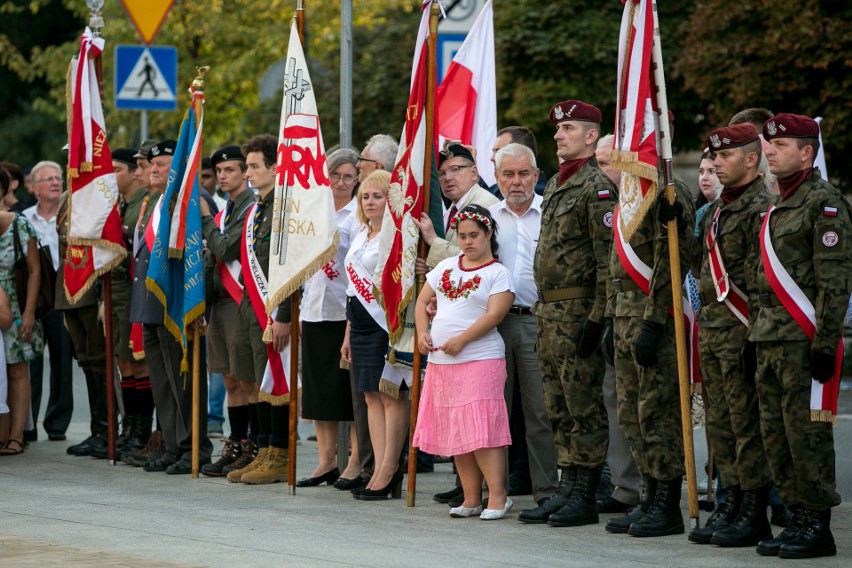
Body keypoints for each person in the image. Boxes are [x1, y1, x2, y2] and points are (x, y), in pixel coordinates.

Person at [751, 114, 850, 559]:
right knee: (777, 435)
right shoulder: (778, 203)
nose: (769, 151)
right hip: (771, 340)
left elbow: (834, 282)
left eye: (780, 145)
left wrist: (826, 345)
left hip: (804, 341)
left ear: (806, 152)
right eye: (768, 145)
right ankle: (796, 518)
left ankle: (817, 526)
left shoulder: (823, 203)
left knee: (807, 436)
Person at [517, 100, 617, 528]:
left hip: (578, 311)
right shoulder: (559, 181)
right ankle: (568, 486)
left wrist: (597, 319)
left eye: (569, 128)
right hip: (550, 312)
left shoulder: (597, 187)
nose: (558, 135)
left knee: (583, 406)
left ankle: (587, 492)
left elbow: (605, 260)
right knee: (557, 405)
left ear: (591, 136)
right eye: (557, 129)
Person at [684, 124, 776, 547]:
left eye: (724, 156)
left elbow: (764, 283)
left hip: (742, 333)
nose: (715, 163)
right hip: (715, 333)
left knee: (747, 427)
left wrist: (755, 339)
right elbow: (701, 267)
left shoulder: (763, 207)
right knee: (721, 426)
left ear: (751, 159)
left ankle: (753, 512)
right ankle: (732, 504)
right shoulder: (720, 208)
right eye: (713, 157)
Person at [605, 116, 696, 538]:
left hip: (653, 321)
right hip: (624, 318)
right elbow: (615, 267)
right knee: (631, 414)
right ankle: (648, 495)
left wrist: (654, 323)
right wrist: (609, 318)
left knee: (657, 414)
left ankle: (667, 503)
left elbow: (670, 266)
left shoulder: (671, 193)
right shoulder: (628, 195)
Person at [413, 204, 515, 519]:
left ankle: (498, 496)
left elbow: (495, 314)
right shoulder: (445, 266)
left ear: (488, 235)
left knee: (483, 428)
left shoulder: (498, 273)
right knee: (458, 429)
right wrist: (421, 333)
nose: (468, 242)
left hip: (481, 358)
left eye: (474, 235)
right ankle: (471, 498)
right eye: (462, 236)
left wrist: (464, 339)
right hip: (443, 362)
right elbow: (421, 301)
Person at [414, 142, 499, 505]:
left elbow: (487, 259)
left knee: (483, 423)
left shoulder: (487, 206)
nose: (448, 177)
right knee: (457, 422)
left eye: (457, 169)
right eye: (443, 172)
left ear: (475, 172)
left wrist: (433, 242)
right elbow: (453, 269)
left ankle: (498, 491)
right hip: (446, 350)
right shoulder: (456, 208)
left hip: (480, 342)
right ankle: (469, 491)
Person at [486, 143, 559, 508]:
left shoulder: (551, 213)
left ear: (536, 175)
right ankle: (490, 491)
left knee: (539, 413)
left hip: (536, 322)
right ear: (497, 177)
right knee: (491, 409)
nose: (516, 182)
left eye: (524, 174)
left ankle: (546, 491)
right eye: (508, 174)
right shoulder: (483, 216)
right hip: (489, 327)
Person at [140, 139, 213, 475]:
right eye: (152, 166)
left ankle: (193, 448)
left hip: (178, 304)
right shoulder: (156, 202)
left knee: (184, 379)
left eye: (162, 165)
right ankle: (172, 445)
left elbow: (200, 257)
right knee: (163, 382)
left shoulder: (193, 201)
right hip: (153, 305)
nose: (154, 170)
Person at [225, 134, 292, 485]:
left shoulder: (285, 212)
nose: (248, 173)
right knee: (253, 378)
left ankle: (279, 452)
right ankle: (262, 447)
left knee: (274, 379)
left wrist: (283, 316)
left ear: (275, 167)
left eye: (253, 166)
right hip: (250, 306)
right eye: (247, 166)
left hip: (273, 308)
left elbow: (290, 269)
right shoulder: (254, 211)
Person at [340, 170, 409, 500]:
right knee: (369, 395)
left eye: (377, 196)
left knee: (390, 395)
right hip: (360, 324)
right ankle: (379, 466)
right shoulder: (361, 235)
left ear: (390, 200)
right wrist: (347, 335)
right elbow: (353, 288)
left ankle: (389, 468)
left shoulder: (395, 238)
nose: (369, 202)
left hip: (385, 325)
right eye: (365, 196)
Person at [296, 148, 361, 488]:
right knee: (319, 390)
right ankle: (325, 462)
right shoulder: (312, 211)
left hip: (345, 310)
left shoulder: (357, 213)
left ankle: (354, 460)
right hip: (314, 308)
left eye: (348, 176)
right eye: (335, 175)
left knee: (346, 392)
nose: (340, 182)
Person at [593, 133, 643, 515]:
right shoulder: (608, 203)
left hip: (648, 318)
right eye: (598, 162)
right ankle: (625, 487)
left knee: (650, 407)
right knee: (616, 402)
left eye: (608, 161)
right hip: (615, 316)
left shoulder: (646, 201)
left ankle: (655, 487)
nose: (603, 169)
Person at [198, 145, 256, 477]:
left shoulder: (248, 208)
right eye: (219, 171)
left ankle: (251, 445)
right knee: (229, 378)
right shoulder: (227, 211)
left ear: (244, 173)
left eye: (230, 170)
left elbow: (225, 247)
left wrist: (207, 222)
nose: (222, 176)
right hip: (219, 302)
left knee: (245, 377)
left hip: (238, 301)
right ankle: (235, 443)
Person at [97, 148, 151, 459]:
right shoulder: (123, 205)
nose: (111, 175)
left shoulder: (140, 205)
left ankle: (140, 430)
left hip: (132, 290)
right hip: (116, 291)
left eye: (117, 169)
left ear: (133, 172)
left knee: (137, 359)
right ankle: (130, 427)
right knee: (123, 360)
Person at [20, 161, 72, 445]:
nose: (55, 183)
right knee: (32, 363)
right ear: (34, 187)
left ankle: (57, 423)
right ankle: (28, 424)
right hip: (34, 299)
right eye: (48, 179)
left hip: (63, 297)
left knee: (63, 360)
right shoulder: (23, 218)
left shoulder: (71, 216)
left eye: (58, 178)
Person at [0, 178, 42, 456]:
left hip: (15, 307)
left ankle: (16, 436)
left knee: (16, 370)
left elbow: (35, 270)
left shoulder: (19, 224)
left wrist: (28, 313)